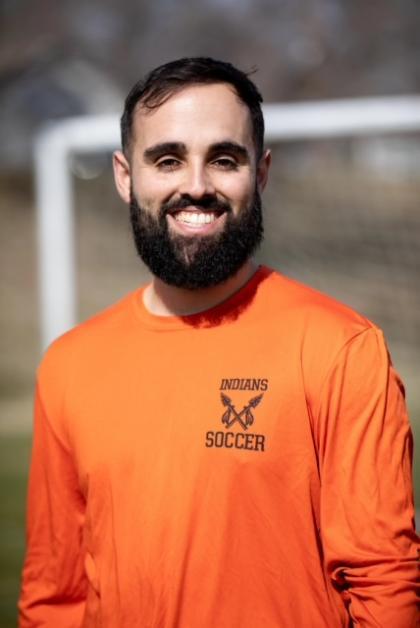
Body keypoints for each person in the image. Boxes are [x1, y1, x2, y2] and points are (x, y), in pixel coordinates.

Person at [19, 57, 418, 627]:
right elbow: (53, 594)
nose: (197, 186)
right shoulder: (68, 366)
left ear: (261, 173)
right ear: (125, 176)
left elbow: (386, 583)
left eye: (224, 159)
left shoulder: (342, 349)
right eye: (167, 159)